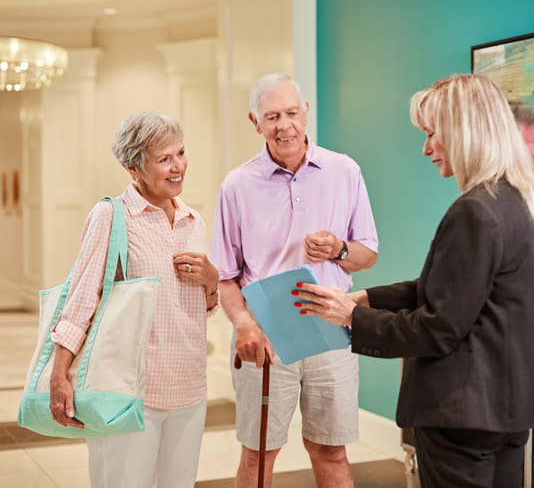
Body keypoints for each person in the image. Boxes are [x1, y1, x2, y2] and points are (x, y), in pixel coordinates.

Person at [295, 74, 534, 488]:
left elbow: (439, 328)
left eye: (433, 134)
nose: (426, 148)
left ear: (463, 132)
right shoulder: (523, 202)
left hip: (461, 411)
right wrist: (366, 298)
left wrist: (352, 318)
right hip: (509, 407)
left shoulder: (472, 211)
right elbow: (458, 287)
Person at [211, 73, 379, 487]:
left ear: (306, 113)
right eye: (272, 116)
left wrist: (339, 249)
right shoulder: (236, 185)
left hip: (331, 331)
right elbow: (225, 277)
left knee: (331, 450)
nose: (283, 125)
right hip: (264, 337)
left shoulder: (345, 171)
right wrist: (245, 325)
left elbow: (367, 254)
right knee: (259, 454)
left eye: (290, 113)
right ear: (255, 122)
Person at [48, 111, 220, 488]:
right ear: (133, 166)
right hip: (129, 390)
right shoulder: (111, 216)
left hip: (189, 386)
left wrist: (212, 281)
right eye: (163, 159)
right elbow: (80, 300)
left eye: (181, 153)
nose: (178, 167)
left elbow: (201, 307)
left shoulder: (194, 221)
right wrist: (59, 373)